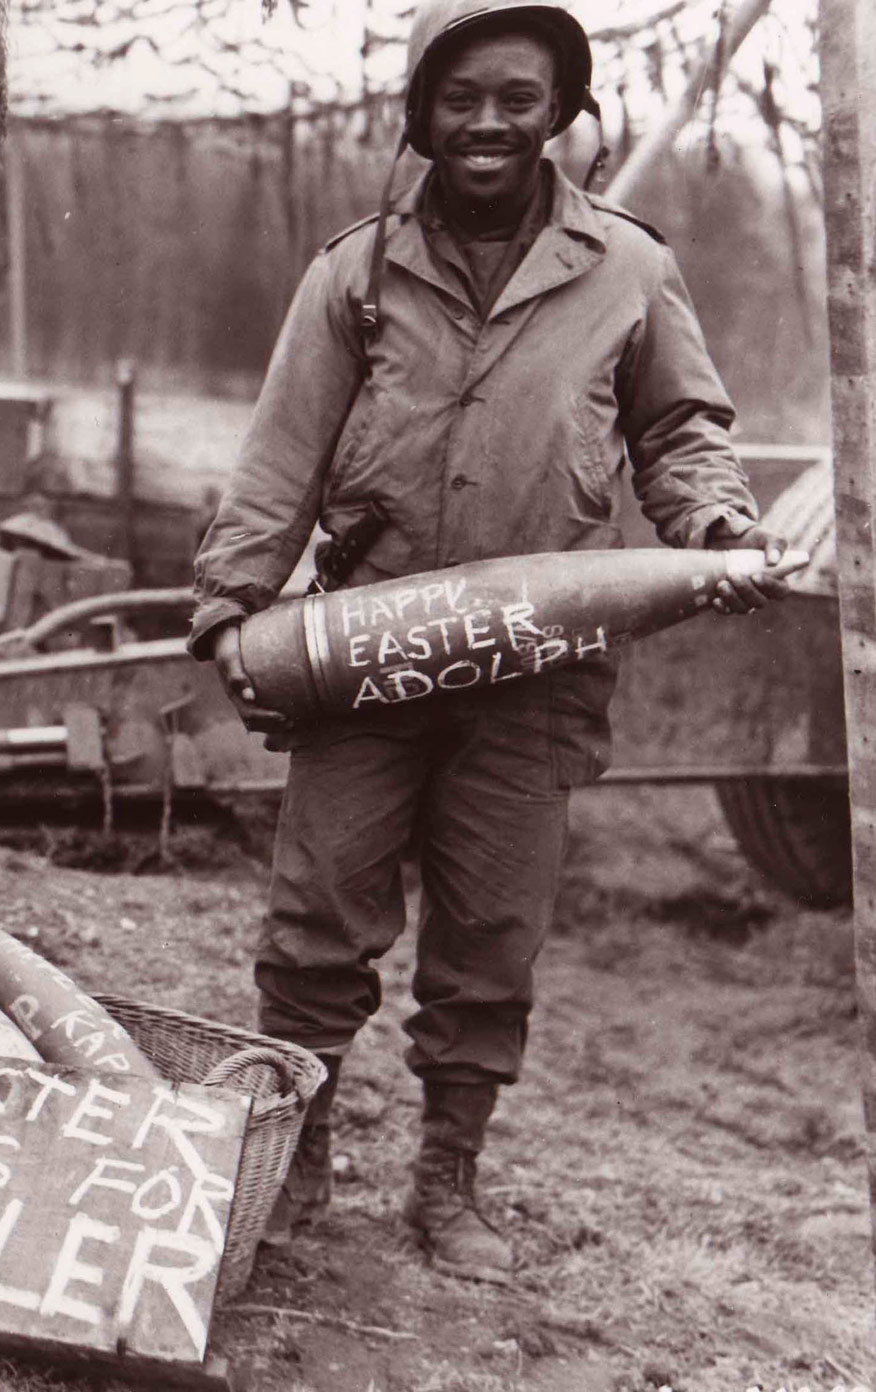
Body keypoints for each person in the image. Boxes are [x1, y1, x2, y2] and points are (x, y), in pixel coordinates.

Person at [190, 0, 791, 1284]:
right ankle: (293, 1155)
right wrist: (232, 604)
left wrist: (710, 523)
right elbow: (280, 453)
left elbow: (678, 428)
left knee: (489, 938)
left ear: (558, 112)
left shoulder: (625, 267)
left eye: (517, 98)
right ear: (421, 115)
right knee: (315, 921)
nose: (487, 123)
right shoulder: (353, 272)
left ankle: (445, 1178)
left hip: (539, 666)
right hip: (367, 648)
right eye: (459, 98)